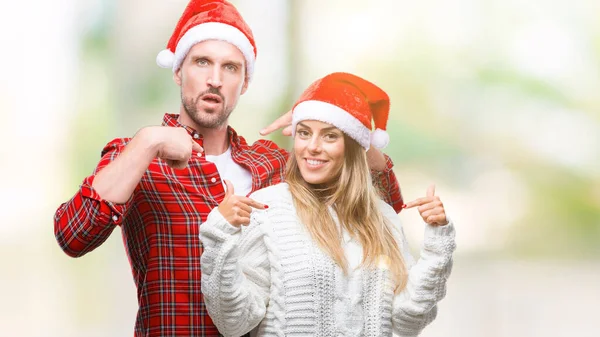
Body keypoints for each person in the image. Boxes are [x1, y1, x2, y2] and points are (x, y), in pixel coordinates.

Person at [53, 1, 404, 336]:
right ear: (178, 71)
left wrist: (335, 122)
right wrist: (147, 141)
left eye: (230, 68)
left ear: (244, 83)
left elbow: (381, 208)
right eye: (202, 62)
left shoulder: (274, 166)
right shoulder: (138, 158)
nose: (215, 80)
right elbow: (73, 236)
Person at [199, 72, 456, 337]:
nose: (312, 147)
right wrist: (220, 236)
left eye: (329, 136)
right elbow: (234, 322)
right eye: (304, 132)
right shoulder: (268, 210)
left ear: (353, 146)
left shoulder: (384, 218)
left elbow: (407, 322)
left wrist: (437, 245)